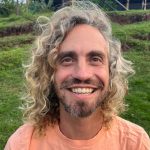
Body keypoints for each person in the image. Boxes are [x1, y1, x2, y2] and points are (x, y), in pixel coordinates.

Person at [4, 1, 150, 150]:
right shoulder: (22, 144)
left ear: (110, 71)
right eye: (67, 59)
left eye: (95, 59)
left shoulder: (135, 143)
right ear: (49, 72)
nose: (82, 74)